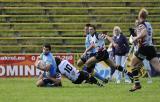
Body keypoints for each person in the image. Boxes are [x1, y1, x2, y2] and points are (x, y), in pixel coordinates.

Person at [129, 8, 160, 92]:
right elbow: (149, 34)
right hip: (151, 48)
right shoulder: (148, 24)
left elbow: (144, 33)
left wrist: (136, 37)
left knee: (132, 64)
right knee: (158, 67)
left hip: (144, 49)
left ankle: (137, 84)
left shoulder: (141, 24)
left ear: (139, 15)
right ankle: (137, 84)